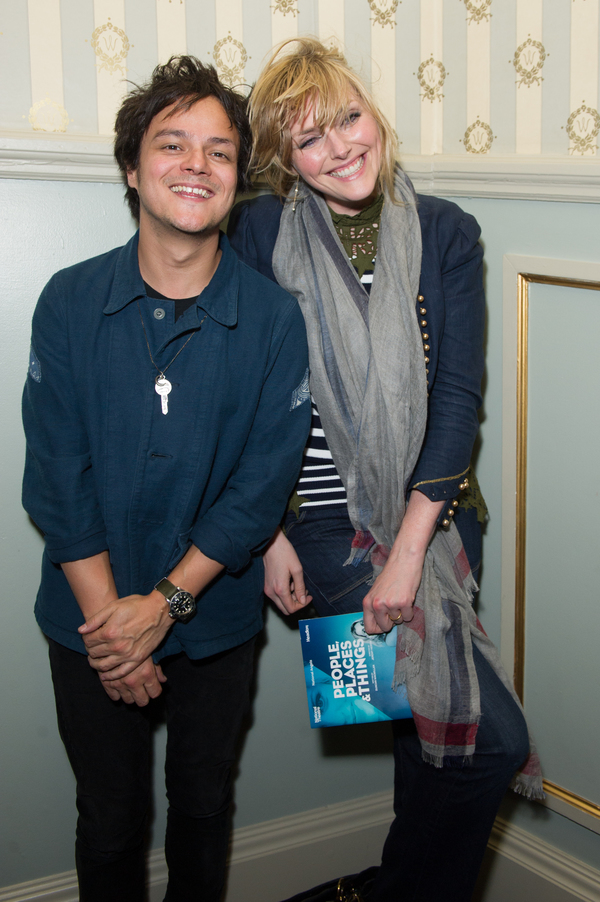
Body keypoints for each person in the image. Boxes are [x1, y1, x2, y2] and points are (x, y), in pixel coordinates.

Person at [228, 38, 540, 902]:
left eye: (349, 118)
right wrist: (269, 533)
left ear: (376, 114)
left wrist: (409, 549)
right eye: (310, 139)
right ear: (283, 162)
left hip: (435, 519)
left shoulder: (445, 229)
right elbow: (246, 395)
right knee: (491, 741)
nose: (340, 147)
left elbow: (456, 400)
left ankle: (386, 890)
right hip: (322, 528)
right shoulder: (259, 231)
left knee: (429, 737)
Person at [22, 56, 310, 902]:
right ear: (131, 168)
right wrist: (115, 629)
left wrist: (167, 606)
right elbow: (56, 479)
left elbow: (261, 486)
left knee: (203, 809)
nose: (196, 165)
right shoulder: (68, 302)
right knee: (108, 819)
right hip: (87, 617)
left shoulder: (273, 318)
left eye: (219, 152)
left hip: (214, 620)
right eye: (171, 143)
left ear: (236, 181)